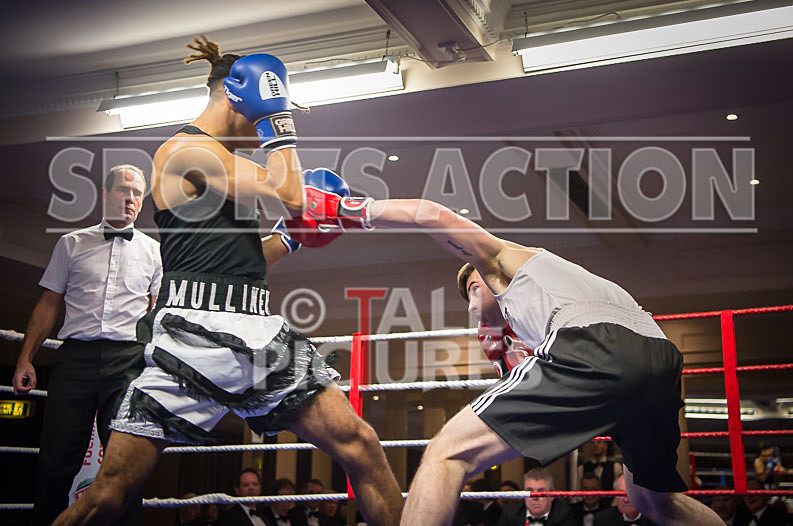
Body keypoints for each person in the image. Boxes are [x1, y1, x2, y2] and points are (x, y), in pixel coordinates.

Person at [52, 36, 402, 526]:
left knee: (361, 445)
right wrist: (276, 118)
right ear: (240, 99)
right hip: (188, 338)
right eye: (260, 111)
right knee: (108, 494)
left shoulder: (227, 168)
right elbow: (291, 194)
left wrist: (291, 238)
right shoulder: (185, 151)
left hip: (250, 325)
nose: (261, 132)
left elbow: (243, 262)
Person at [280, 171, 726, 526]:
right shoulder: (559, 290)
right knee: (654, 501)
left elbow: (429, 213)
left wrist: (348, 210)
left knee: (446, 451)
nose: (474, 303)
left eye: (474, 289)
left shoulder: (501, 258)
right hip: (659, 355)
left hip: (595, 343)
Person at [12, 164, 161, 526]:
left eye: (137, 193)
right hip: (75, 359)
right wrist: (25, 358)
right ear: (105, 194)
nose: (130, 199)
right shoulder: (71, 243)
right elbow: (49, 304)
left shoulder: (155, 252)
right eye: (124, 190)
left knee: (126, 465)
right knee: (56, 459)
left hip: (128, 362)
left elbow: (156, 315)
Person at [497, 468, 580, 526]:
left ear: (552, 495)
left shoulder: (566, 514)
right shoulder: (510, 512)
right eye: (530, 491)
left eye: (541, 492)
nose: (535, 497)